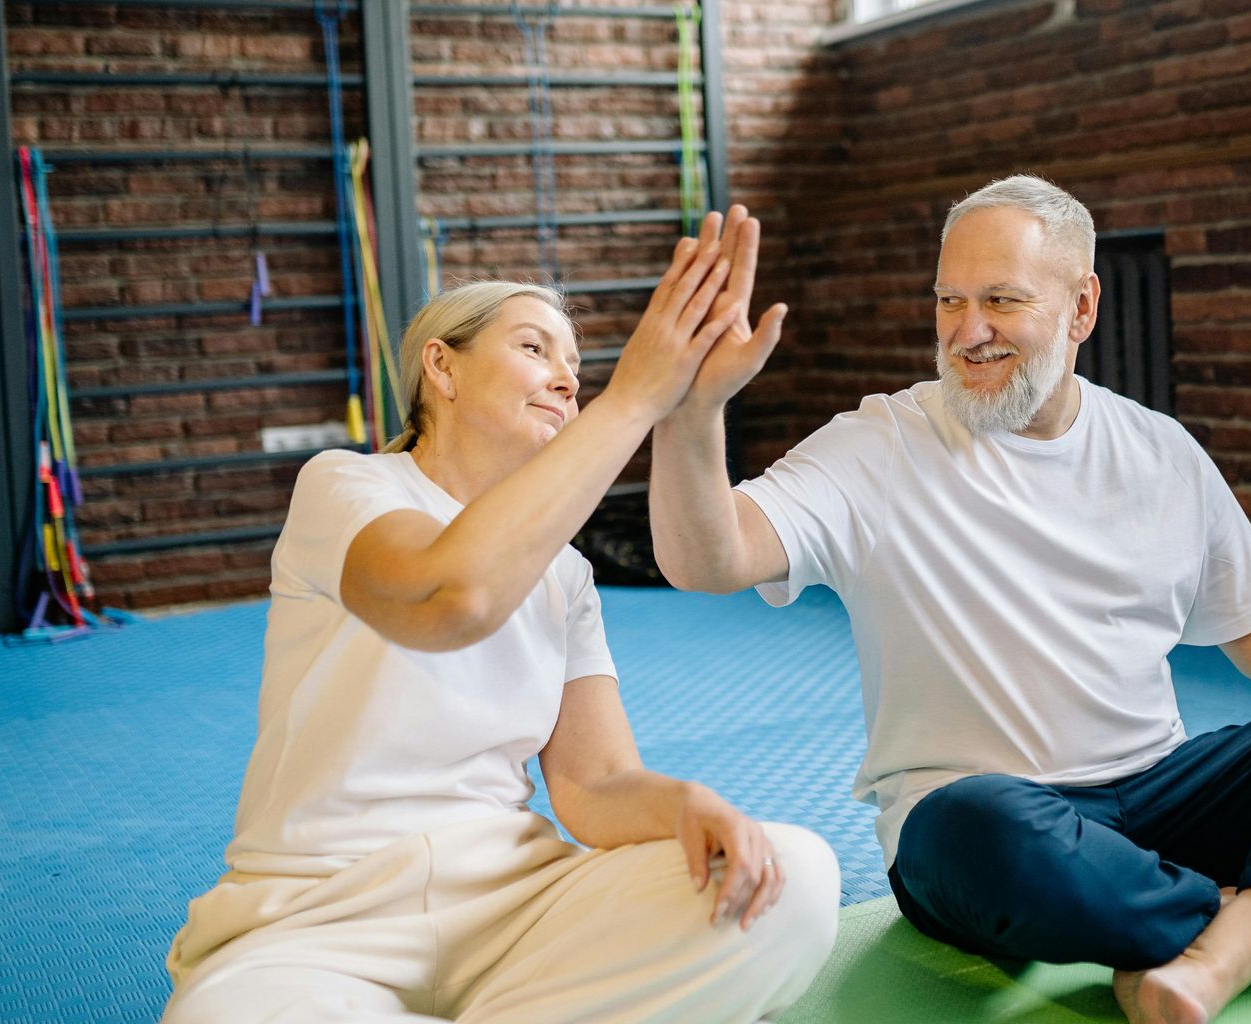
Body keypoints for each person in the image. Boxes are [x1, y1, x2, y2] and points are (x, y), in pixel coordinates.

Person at [650, 179, 1251, 1024]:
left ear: (1082, 308)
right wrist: (692, 414)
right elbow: (708, 557)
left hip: (1165, 799)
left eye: (1001, 300)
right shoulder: (879, 445)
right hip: (986, 825)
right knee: (980, 823)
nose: (968, 332)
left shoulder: (1160, 451)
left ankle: (1220, 940)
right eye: (949, 302)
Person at [162, 221, 840, 1024]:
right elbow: (450, 597)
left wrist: (690, 804)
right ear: (440, 366)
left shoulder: (568, 574)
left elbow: (593, 787)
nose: (565, 380)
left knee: (790, 877)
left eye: (577, 369)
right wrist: (632, 399)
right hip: (318, 918)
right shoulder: (345, 488)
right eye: (534, 349)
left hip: (514, 910)